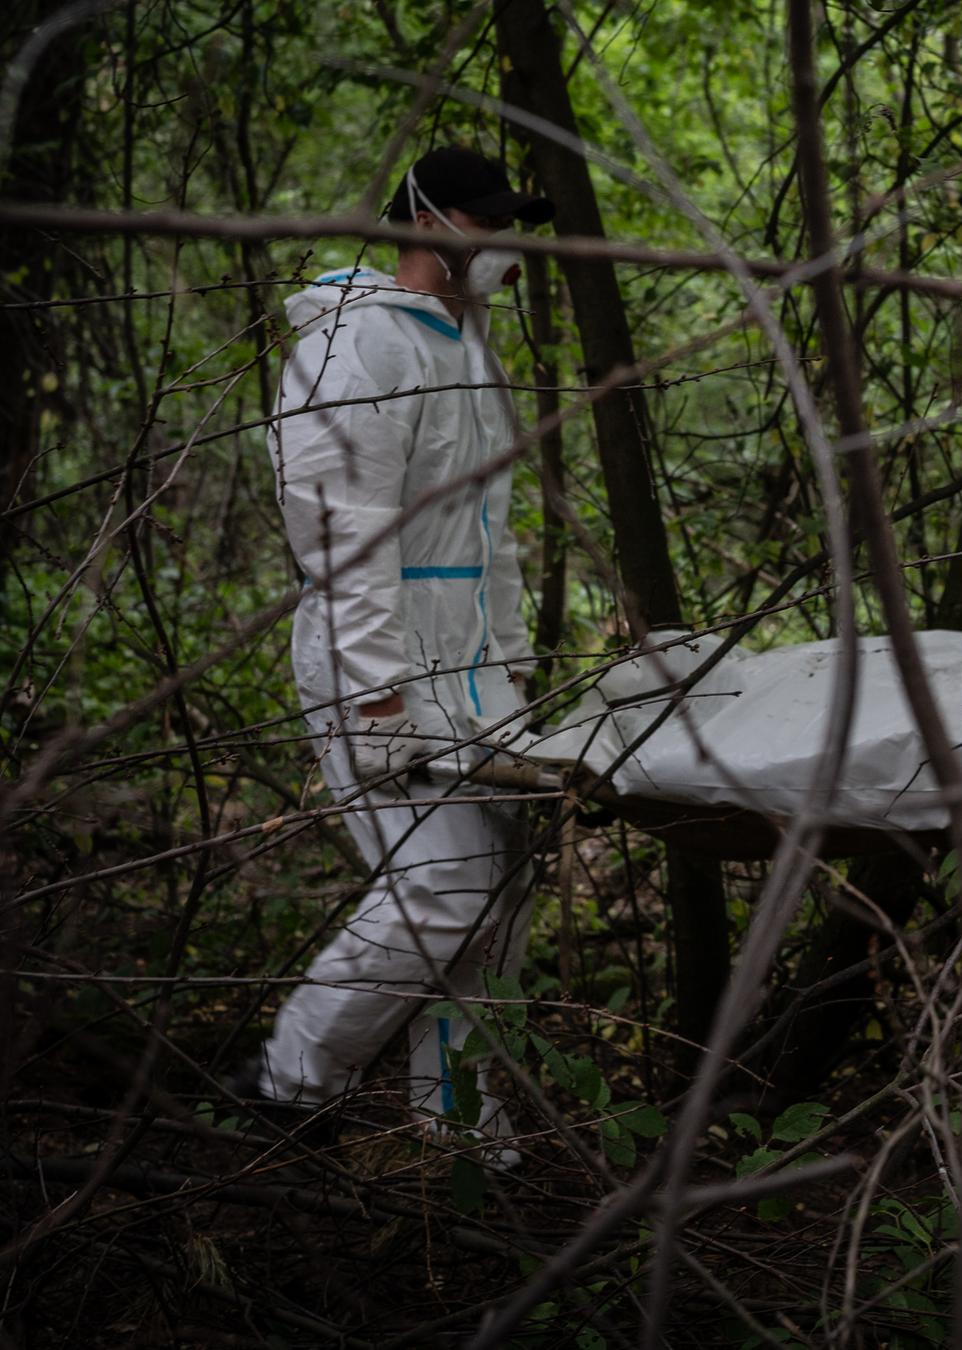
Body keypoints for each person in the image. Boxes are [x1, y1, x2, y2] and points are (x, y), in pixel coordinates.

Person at [236, 147, 553, 1146]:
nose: (503, 243)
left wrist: (510, 671)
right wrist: (375, 700)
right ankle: (289, 1083)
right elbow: (345, 534)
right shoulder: (354, 342)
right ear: (428, 221)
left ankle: (459, 1123)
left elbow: (489, 539)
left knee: (495, 895)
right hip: (373, 654)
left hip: (465, 668)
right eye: (486, 220)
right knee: (441, 885)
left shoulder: (469, 345)